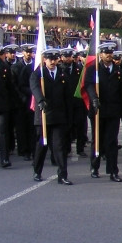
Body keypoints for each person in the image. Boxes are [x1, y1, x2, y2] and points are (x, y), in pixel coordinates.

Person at [30, 48, 75, 184]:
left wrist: (69, 116)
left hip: (59, 116)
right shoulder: (38, 74)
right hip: (44, 116)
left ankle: (62, 175)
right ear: (44, 60)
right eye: (50, 59)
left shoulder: (62, 75)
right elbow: (35, 88)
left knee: (59, 146)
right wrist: (41, 100)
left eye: (55, 59)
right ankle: (37, 171)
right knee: (42, 146)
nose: (53, 62)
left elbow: (68, 96)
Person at [84, 41, 122, 182]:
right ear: (100, 54)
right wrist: (94, 99)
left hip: (113, 111)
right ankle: (94, 167)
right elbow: (89, 86)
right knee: (97, 139)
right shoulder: (93, 69)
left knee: (111, 142)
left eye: (110, 53)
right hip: (98, 110)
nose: (109, 56)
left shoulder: (118, 71)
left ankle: (113, 171)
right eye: (106, 53)